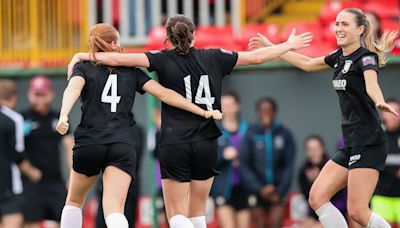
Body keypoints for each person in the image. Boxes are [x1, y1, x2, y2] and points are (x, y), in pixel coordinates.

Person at [67, 14, 312, 228]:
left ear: (168, 38)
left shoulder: (161, 58)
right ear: (194, 35)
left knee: (176, 215)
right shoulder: (216, 56)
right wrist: (287, 45)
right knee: (197, 212)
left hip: (175, 141)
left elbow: (117, 59)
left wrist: (81, 54)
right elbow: (257, 57)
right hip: (207, 140)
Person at [57, 23, 222, 228]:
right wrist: (203, 111)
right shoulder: (131, 71)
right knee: (115, 209)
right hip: (123, 144)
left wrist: (64, 115)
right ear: (115, 42)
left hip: (90, 141)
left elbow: (73, 88)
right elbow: (165, 94)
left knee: (73, 202)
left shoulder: (83, 67)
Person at [249, 7, 399, 228]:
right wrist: (274, 47)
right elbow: (307, 64)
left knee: (357, 212)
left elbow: (372, 84)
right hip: (351, 144)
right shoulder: (338, 57)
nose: (338, 28)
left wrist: (379, 100)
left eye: (344, 24)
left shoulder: (366, 57)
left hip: (369, 143)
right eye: (337, 23)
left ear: (360, 29)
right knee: (317, 198)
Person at [21, 75, 74, 228]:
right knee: (32, 222)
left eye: (43, 94)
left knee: (62, 220)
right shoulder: (22, 118)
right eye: (37, 94)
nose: (40, 99)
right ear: (30, 94)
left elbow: (69, 146)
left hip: (55, 181)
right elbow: (14, 150)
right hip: (31, 183)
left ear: (51, 94)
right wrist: (29, 170)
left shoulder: (59, 118)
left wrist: (72, 176)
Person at [240, 97, 296, 228]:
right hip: (257, 190)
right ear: (258, 112)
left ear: (275, 112)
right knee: (260, 225)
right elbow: (244, 164)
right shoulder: (250, 133)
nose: (265, 113)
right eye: (262, 110)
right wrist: (260, 188)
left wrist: (280, 190)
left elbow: (289, 165)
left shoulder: (284, 134)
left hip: (278, 190)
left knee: (276, 224)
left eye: (269, 110)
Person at [0, 79, 42, 228]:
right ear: (14, 97)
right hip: (9, 188)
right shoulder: (14, 119)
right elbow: (17, 154)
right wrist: (33, 173)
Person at [210, 91, 251, 228]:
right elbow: (204, 160)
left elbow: (256, 158)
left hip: (244, 186)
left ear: (238, 106)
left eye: (230, 105)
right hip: (222, 187)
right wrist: (223, 155)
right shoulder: (213, 130)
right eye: (224, 105)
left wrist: (242, 159)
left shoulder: (248, 129)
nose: (227, 109)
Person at [298, 135, 347, 228]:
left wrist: (318, 180)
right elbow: (307, 197)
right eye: (309, 149)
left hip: (335, 209)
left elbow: (335, 195)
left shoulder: (332, 166)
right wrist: (311, 182)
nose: (313, 153)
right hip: (315, 212)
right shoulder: (304, 169)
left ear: (322, 149)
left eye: (316, 148)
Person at [371, 98, 400, 227]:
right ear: (382, 114)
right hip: (381, 196)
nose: (393, 115)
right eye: (389, 111)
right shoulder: (377, 136)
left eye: (397, 111)